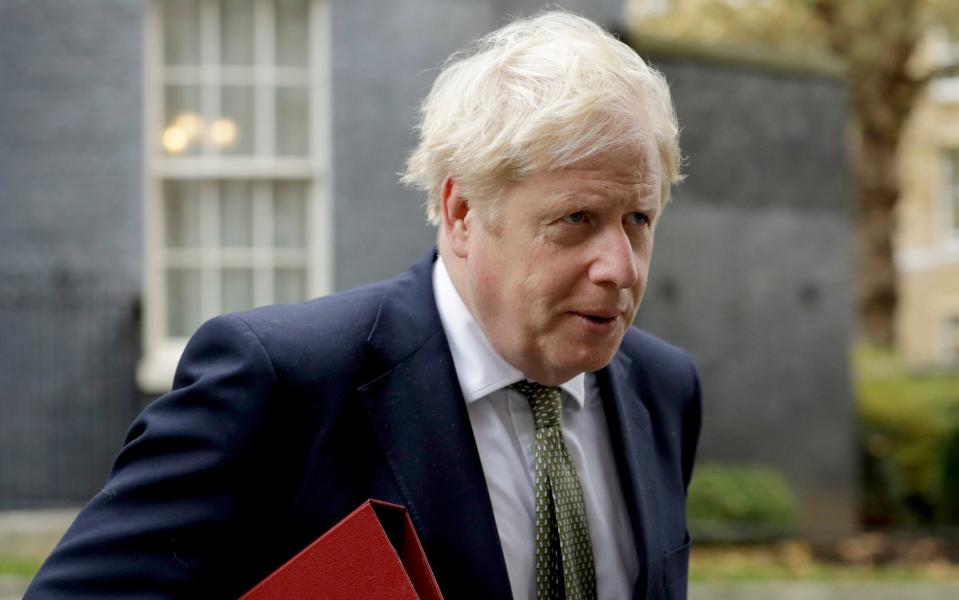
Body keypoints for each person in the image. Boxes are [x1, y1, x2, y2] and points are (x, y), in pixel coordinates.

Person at [26, 11, 701, 600]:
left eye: (638, 219)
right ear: (461, 211)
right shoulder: (281, 385)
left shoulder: (663, 389)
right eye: (576, 219)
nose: (619, 267)